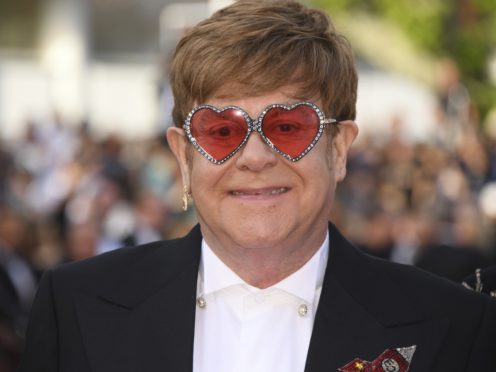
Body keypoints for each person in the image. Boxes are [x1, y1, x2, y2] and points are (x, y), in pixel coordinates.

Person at [19, 1, 496, 371]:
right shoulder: (76, 307)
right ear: (184, 157)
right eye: (221, 130)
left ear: (339, 148)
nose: (254, 156)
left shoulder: (456, 325)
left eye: (288, 127)